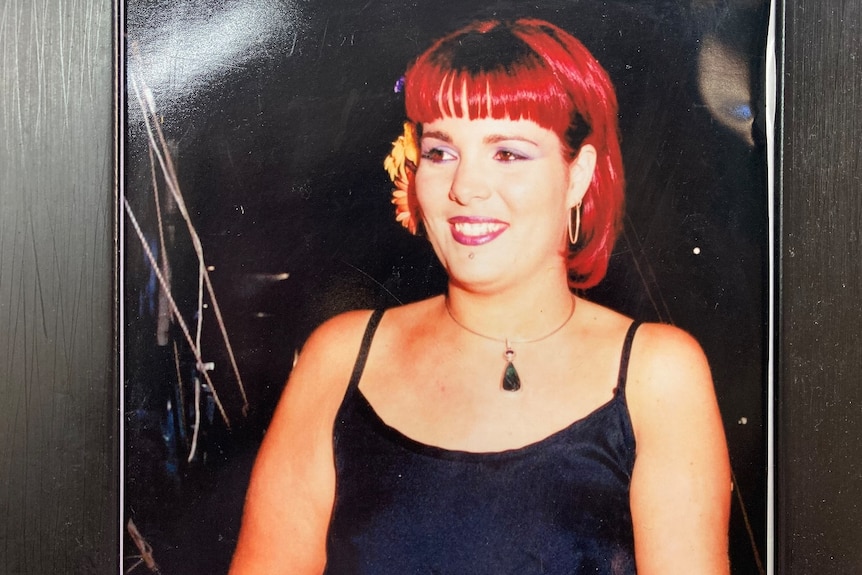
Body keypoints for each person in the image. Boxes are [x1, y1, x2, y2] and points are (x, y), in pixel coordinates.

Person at [230, 17, 730, 575]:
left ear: (579, 175)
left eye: (508, 153)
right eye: (442, 152)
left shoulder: (657, 374)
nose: (464, 187)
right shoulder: (341, 357)